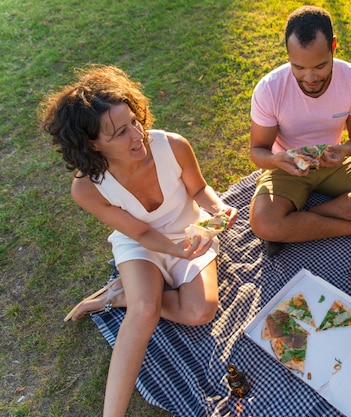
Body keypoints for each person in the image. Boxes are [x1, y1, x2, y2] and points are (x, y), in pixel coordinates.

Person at [40, 65, 238, 417]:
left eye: (134, 121)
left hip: (189, 231)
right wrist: (174, 249)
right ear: (92, 144)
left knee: (200, 311)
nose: (137, 136)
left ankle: (120, 295)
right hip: (140, 244)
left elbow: (199, 190)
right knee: (143, 311)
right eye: (119, 132)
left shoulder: (173, 145)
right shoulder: (86, 188)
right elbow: (142, 233)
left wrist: (218, 208)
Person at [249, 5, 351, 256]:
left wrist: (345, 150)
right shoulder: (269, 88)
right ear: (288, 54)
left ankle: (299, 221)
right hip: (287, 167)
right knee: (264, 222)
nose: (309, 77)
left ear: (333, 47)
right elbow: (257, 151)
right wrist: (277, 160)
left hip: (333, 162)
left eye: (320, 66)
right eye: (298, 67)